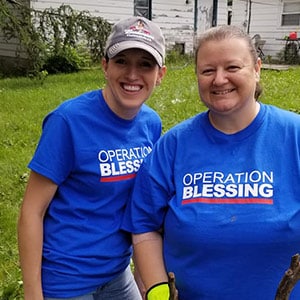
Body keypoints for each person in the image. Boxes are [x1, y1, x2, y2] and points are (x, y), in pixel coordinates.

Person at [121, 25, 300, 300]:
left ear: (257, 68)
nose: (219, 79)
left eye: (232, 67)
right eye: (207, 71)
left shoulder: (294, 136)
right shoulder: (174, 145)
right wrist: (159, 294)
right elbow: (144, 226)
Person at [17, 16, 166, 300]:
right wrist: (33, 294)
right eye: (122, 61)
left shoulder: (151, 124)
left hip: (117, 273)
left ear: (160, 74)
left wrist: (143, 271)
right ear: (105, 66)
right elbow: (31, 212)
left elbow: (146, 204)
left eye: (145, 64)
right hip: (66, 279)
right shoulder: (69, 121)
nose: (133, 75)